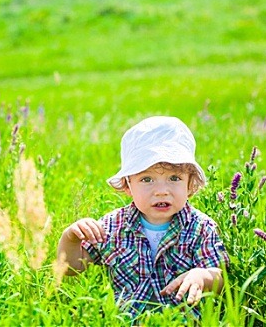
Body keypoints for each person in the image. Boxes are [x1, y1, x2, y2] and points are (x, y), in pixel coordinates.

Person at [57, 116, 229, 319]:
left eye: (174, 178)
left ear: (190, 184)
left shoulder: (201, 227)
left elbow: (221, 277)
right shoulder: (112, 227)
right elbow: (71, 269)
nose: (161, 191)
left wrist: (202, 276)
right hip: (127, 321)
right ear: (128, 185)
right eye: (147, 179)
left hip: (180, 321)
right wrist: (70, 238)